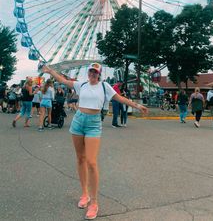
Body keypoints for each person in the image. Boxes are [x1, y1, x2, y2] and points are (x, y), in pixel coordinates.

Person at [42, 62, 148, 220]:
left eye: (95, 72)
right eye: (91, 71)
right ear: (88, 72)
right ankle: (84, 194)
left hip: (93, 123)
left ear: (99, 74)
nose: (92, 74)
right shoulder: (81, 85)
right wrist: (50, 70)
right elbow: (63, 80)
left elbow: (119, 98)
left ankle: (94, 202)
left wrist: (137, 106)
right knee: (80, 159)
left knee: (91, 162)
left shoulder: (105, 87)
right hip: (78, 121)